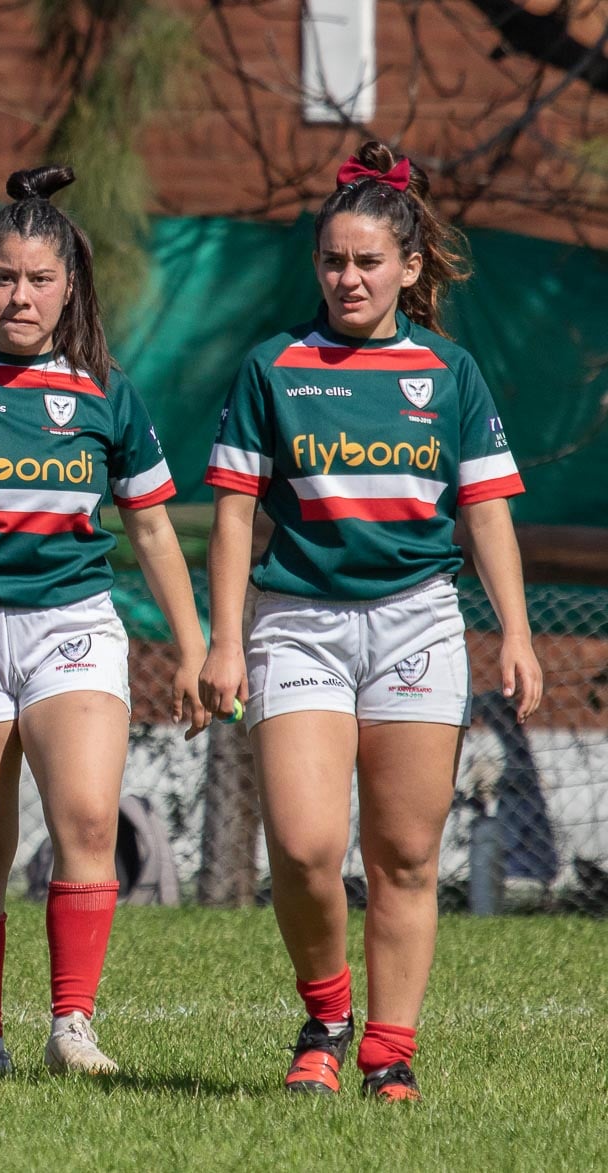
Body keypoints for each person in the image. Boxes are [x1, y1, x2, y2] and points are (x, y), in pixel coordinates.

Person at [200, 141, 540, 1101]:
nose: (348, 278)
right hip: (297, 624)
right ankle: (327, 1013)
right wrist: (224, 640)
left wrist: (514, 630)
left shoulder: (451, 372)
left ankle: (389, 1052)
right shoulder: (272, 367)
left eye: (367, 262)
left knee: (403, 854)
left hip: (419, 625)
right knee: (305, 848)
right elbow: (232, 514)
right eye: (332, 261)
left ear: (409, 266)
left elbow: (485, 512)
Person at [0, 165, 206, 1077]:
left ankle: (73, 1025)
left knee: (83, 814)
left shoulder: (106, 390)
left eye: (40, 279)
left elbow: (150, 525)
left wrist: (193, 646)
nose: (20, 295)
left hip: (70, 625)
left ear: (70, 284)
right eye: (4, 277)